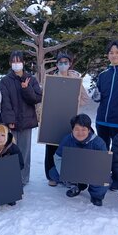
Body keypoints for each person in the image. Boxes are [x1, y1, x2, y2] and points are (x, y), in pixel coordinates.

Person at [45, 51, 91, 187]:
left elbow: (85, 99)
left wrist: (73, 103)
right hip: (53, 118)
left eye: (66, 62)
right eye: (60, 62)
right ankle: (51, 176)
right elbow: (45, 98)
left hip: (70, 120)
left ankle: (68, 175)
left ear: (70, 64)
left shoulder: (76, 80)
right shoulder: (51, 80)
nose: (63, 65)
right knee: (51, 147)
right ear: (57, 64)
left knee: (68, 146)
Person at [0, 50, 42, 186]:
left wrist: (26, 88)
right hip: (10, 122)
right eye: (14, 61)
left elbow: (36, 98)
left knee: (24, 151)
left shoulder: (31, 79)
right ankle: (9, 177)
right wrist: (10, 120)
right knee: (8, 149)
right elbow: (5, 102)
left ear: (23, 63)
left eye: (19, 61)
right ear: (10, 63)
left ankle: (23, 178)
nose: (16, 64)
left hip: (26, 121)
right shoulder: (5, 81)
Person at [49, 114, 109, 206]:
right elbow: (58, 156)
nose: (80, 133)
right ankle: (76, 185)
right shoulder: (67, 139)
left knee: (105, 178)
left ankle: (96, 195)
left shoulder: (98, 143)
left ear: (89, 130)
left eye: (83, 129)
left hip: (92, 171)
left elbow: (104, 164)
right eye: (77, 129)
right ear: (72, 129)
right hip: (74, 169)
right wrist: (64, 172)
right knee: (53, 173)